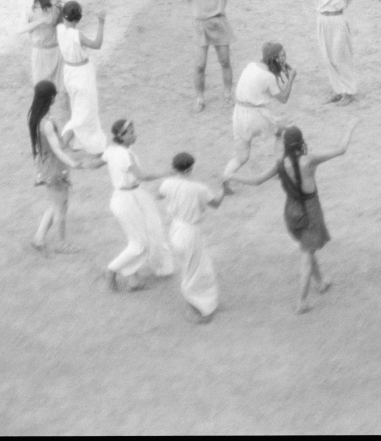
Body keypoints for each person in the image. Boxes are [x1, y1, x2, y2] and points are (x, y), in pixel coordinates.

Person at [225, 120, 359, 314]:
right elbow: (341, 149)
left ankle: (320, 282)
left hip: (291, 211)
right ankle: (302, 302)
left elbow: (256, 181)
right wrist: (349, 127)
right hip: (310, 210)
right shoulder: (309, 160)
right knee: (306, 254)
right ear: (302, 141)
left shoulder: (280, 164)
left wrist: (232, 176)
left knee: (307, 247)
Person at [139, 0, 269, 113]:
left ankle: (227, 93)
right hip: (200, 27)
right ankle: (200, 97)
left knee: (225, 62)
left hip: (219, 24)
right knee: (199, 66)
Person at [264, 0, 381, 106]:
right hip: (322, 21)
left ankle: (349, 92)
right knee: (328, 58)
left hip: (338, 20)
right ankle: (338, 91)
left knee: (340, 57)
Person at [100, 119, 175, 291]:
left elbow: (96, 162)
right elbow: (142, 176)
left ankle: (133, 278)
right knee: (139, 244)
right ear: (122, 136)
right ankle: (111, 270)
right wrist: (168, 172)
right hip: (126, 200)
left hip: (135, 195)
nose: (135, 134)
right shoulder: (124, 155)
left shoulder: (113, 150)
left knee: (149, 232)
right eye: (131, 132)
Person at [221, 42, 297, 194]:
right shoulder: (268, 77)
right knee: (281, 132)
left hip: (239, 113)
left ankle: (225, 179)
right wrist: (291, 78)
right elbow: (283, 99)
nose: (285, 57)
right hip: (255, 114)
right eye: (282, 55)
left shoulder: (251, 66)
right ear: (275, 58)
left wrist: (280, 64)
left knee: (242, 156)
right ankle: (280, 168)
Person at [158, 152, 225, 324]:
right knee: (196, 271)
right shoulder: (199, 188)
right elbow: (216, 203)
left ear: (174, 168)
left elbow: (160, 194)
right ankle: (196, 309)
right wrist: (223, 189)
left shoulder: (168, 183)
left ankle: (199, 305)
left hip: (175, 229)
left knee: (192, 268)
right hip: (190, 233)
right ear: (191, 167)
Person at [28, 80, 85, 254]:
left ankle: (39, 238)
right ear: (50, 98)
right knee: (61, 206)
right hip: (55, 167)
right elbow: (58, 149)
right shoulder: (47, 124)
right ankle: (62, 244)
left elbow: (53, 146)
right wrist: (73, 162)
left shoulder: (36, 118)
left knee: (56, 204)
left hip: (47, 165)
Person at [56, 1, 108, 155]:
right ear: (78, 18)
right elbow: (97, 44)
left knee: (78, 108)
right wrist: (101, 22)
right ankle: (65, 143)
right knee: (85, 111)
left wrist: (59, 6)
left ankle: (71, 142)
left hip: (69, 71)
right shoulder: (77, 35)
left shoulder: (59, 29)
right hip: (82, 74)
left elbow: (61, 18)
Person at [20, 0, 65, 89]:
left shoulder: (55, 7)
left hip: (56, 52)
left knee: (62, 90)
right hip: (40, 54)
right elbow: (20, 29)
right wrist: (42, 20)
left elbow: (68, 19)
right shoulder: (29, 10)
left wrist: (62, 5)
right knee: (40, 89)